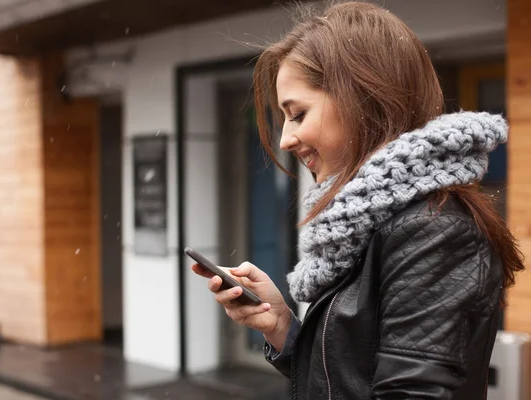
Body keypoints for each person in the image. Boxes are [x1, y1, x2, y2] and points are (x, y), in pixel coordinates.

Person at [191, 1, 524, 399]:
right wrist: (280, 326)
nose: (285, 140)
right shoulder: (375, 221)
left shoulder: (433, 230)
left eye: (297, 114)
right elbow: (347, 378)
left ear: (362, 99)